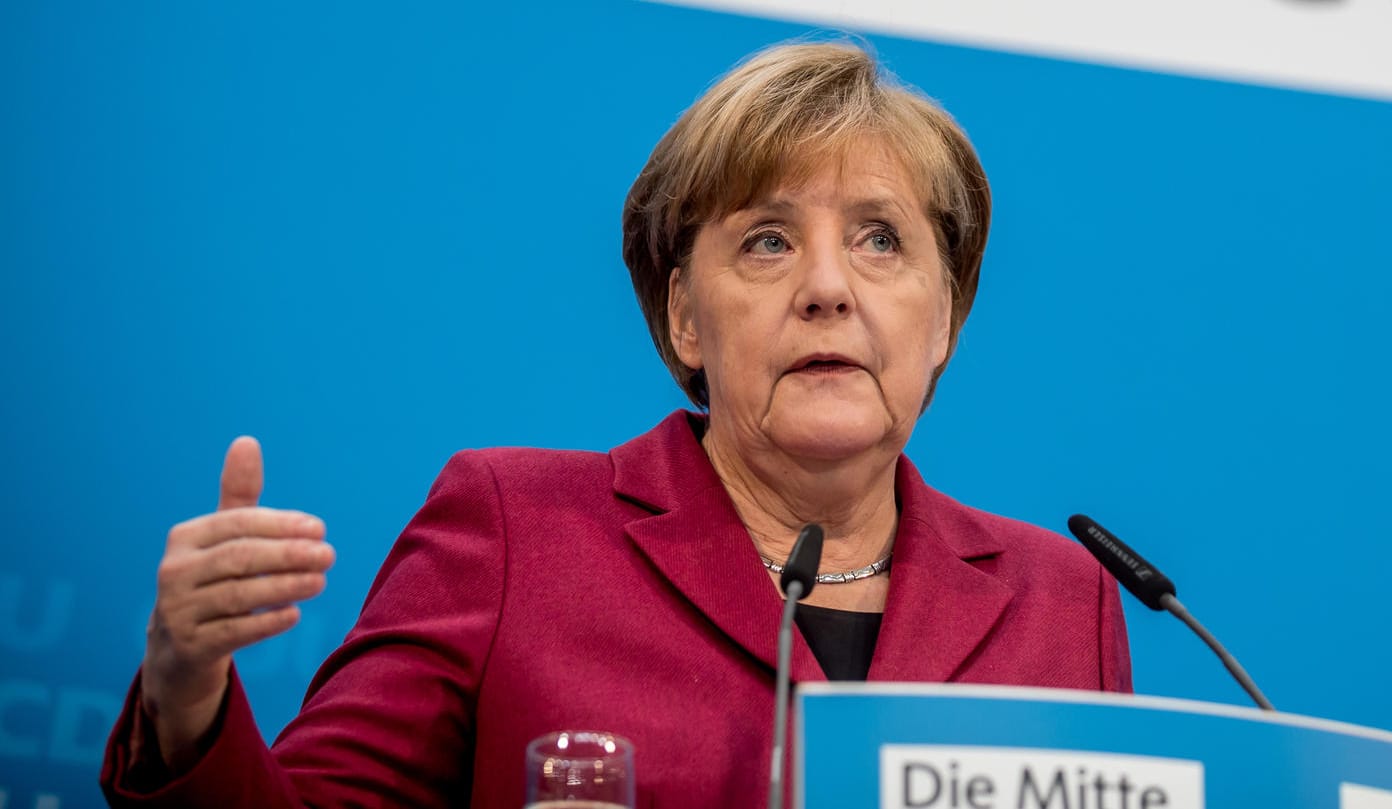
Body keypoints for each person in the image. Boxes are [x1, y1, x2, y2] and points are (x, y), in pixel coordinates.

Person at [100, 41, 1131, 808]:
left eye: (880, 241)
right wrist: (186, 695)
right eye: (767, 241)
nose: (827, 287)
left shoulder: (1064, 605)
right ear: (684, 313)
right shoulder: (515, 531)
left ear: (943, 313)